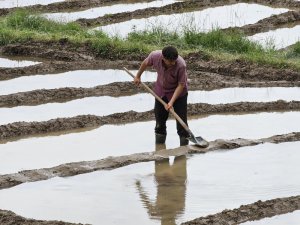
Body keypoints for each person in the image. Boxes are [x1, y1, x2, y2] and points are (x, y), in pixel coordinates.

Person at [134, 46, 189, 146]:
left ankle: (184, 148)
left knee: (182, 123)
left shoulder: (181, 65)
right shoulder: (155, 56)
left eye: (174, 61)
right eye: (170, 61)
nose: (173, 63)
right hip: (161, 92)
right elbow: (145, 63)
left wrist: (171, 102)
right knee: (160, 121)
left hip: (178, 94)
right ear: (163, 58)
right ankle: (160, 148)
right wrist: (138, 76)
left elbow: (181, 85)